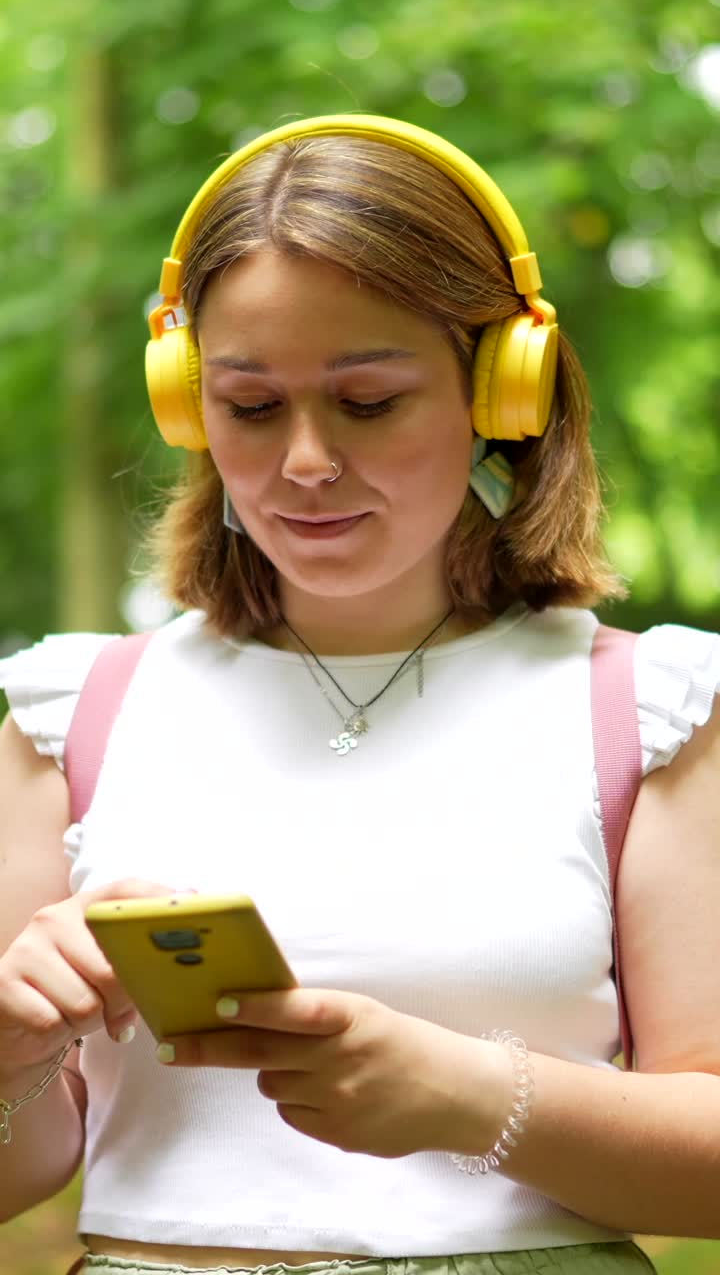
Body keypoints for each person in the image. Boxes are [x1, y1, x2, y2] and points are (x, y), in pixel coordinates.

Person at [0, 113, 719, 1275]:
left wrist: (477, 1095)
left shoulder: (651, 711)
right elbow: (21, 1169)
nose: (305, 461)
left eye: (369, 399)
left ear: (503, 389)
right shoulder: (70, 711)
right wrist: (12, 1049)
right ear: (188, 402)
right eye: (249, 405)